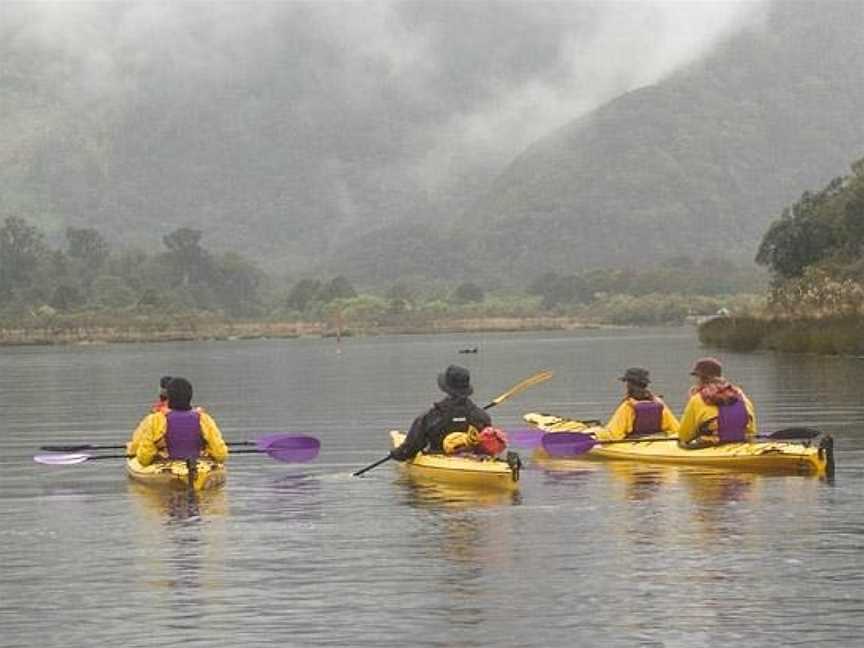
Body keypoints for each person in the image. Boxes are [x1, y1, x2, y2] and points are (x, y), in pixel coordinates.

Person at [390, 365, 498, 461]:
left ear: (446, 388)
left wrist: (396, 454)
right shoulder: (482, 416)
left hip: (438, 460)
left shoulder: (430, 417)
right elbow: (488, 445)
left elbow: (410, 449)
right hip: (474, 461)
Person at [131, 377, 229, 466]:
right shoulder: (204, 419)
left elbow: (144, 458)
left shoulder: (156, 420)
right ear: (190, 397)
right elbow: (221, 455)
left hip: (166, 467)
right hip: (198, 465)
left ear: (168, 397)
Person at [678, 357, 757, 448]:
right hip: (744, 441)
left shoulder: (697, 398)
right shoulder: (740, 394)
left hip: (711, 445)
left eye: (697, 377)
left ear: (701, 378)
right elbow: (753, 429)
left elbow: (684, 435)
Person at [599, 367, 679, 441]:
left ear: (630, 385)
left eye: (627, 383)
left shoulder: (628, 406)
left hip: (632, 444)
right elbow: (676, 429)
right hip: (657, 443)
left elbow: (613, 434)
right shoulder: (659, 403)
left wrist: (597, 434)